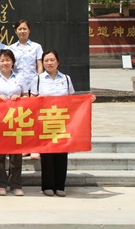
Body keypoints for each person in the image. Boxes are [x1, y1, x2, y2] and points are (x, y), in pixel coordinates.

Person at [31, 50, 93, 197]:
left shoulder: (66, 78)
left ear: (58, 62)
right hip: (45, 121)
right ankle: (47, 186)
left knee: (61, 153)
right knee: (47, 154)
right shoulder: (38, 79)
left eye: (52, 60)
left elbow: (71, 99)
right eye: (46, 60)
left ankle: (60, 186)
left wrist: (87, 100)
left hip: (62, 122)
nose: (49, 63)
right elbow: (31, 99)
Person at [0, 48, 27, 196]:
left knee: (16, 154)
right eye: (2, 60)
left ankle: (16, 184)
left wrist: (20, 99)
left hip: (16, 120)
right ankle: (0, 184)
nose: (5, 63)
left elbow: (27, 96)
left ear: (13, 62)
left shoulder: (20, 77)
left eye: (8, 60)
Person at [9, 19, 44, 159]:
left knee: (35, 118)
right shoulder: (12, 48)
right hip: (18, 87)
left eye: (24, 29)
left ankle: (35, 147)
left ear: (29, 30)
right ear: (15, 31)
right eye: (19, 29)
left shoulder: (36, 47)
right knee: (21, 118)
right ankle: (23, 146)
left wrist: (40, 82)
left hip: (33, 86)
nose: (22, 31)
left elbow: (39, 65)